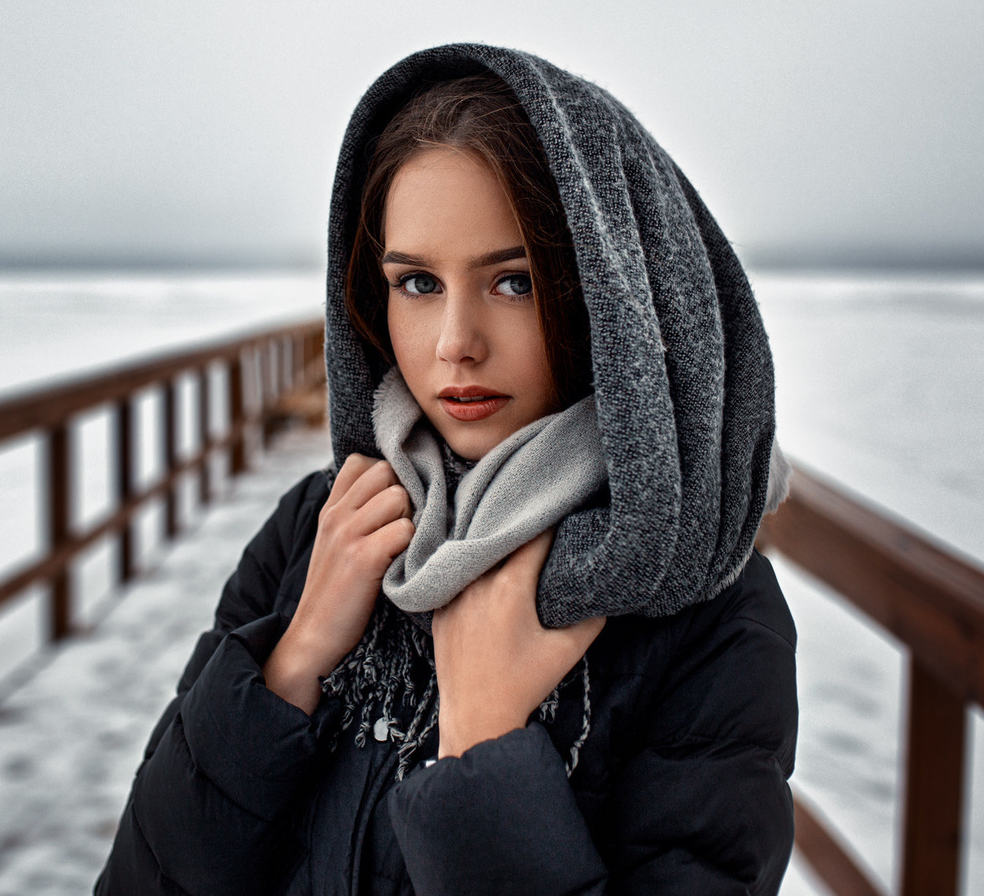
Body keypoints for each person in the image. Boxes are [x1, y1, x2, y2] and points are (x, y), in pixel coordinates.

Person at [95, 43, 797, 896]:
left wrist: (484, 747)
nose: (454, 343)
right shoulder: (321, 526)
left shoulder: (703, 604)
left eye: (514, 282)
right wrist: (294, 658)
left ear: (616, 294)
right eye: (419, 283)